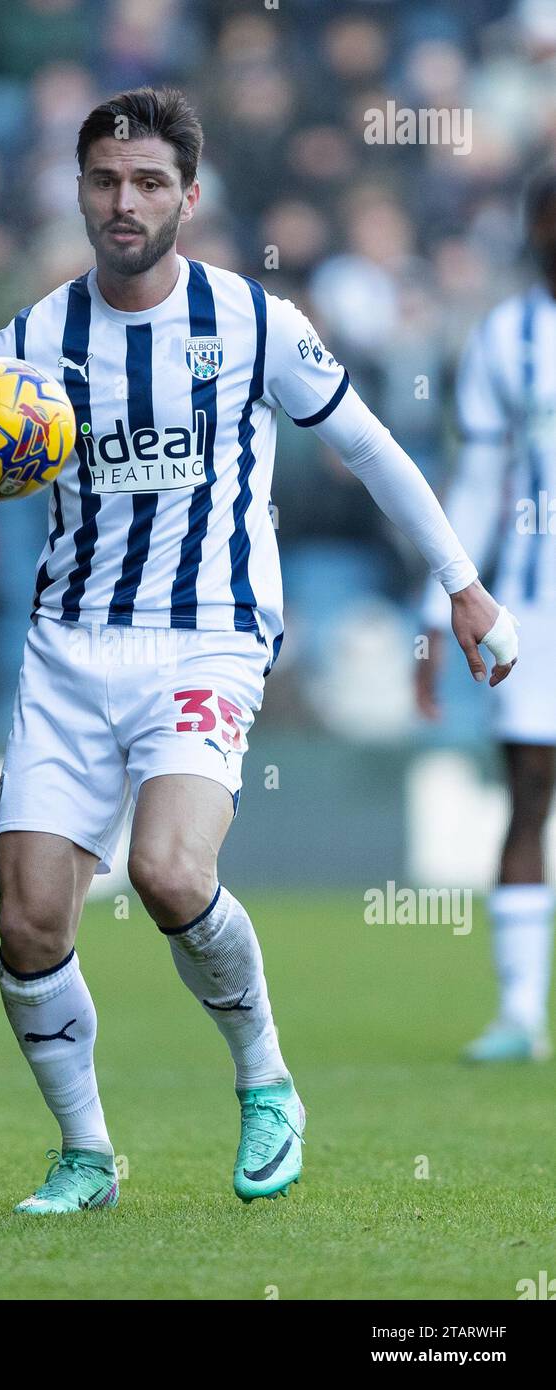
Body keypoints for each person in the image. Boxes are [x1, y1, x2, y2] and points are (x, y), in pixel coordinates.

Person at [0, 88, 517, 1214]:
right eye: (104, 180)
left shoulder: (251, 323)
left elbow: (370, 448)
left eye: (148, 182)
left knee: (167, 871)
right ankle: (87, 1154)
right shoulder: (38, 337)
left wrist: (463, 587)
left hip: (205, 638)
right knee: (28, 923)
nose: (123, 200)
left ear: (188, 196)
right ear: (79, 189)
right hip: (69, 648)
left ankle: (265, 1080)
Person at [418, 167, 556, 1064]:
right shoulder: (507, 339)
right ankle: (518, 1013)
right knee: (529, 797)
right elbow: (475, 482)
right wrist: (435, 611)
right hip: (537, 608)